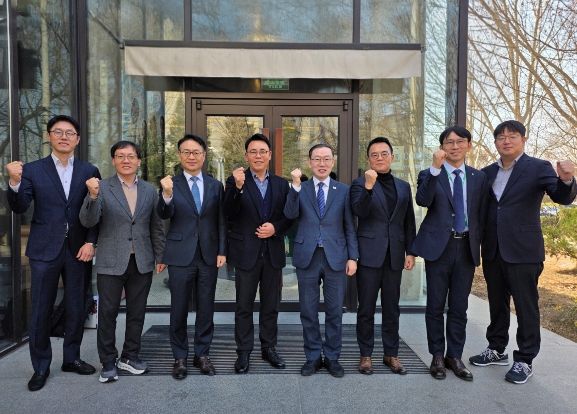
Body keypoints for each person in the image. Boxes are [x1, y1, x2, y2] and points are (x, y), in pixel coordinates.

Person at [469, 120, 576, 384]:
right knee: (497, 303)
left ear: (523, 140)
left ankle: (525, 359)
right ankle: (496, 348)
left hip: (524, 251)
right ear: (495, 142)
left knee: (526, 306)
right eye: (501, 137)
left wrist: (567, 179)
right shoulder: (486, 173)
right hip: (493, 249)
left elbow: (562, 197)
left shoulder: (538, 167)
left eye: (512, 136)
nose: (506, 141)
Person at [6, 115, 99, 391]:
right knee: (41, 309)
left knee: (76, 306)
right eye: (58, 132)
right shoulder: (33, 170)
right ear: (49, 137)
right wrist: (14, 182)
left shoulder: (89, 170)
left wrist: (91, 242)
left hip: (78, 250)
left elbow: (96, 210)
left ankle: (71, 358)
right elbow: (20, 206)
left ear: (77, 139)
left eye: (70, 133)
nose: (64, 137)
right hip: (44, 249)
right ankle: (41, 366)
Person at [79, 141, 165, 384]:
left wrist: (160, 256)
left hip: (142, 260)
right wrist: (92, 196)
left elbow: (156, 226)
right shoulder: (102, 187)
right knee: (108, 313)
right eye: (120, 156)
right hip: (110, 260)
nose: (126, 160)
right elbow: (88, 221)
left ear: (139, 161)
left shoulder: (149, 190)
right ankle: (108, 362)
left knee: (137, 313)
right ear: (113, 160)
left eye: (131, 156)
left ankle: (130, 356)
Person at [412, 126, 488, 381]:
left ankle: (454, 356)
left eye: (460, 141)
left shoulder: (478, 177)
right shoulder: (429, 174)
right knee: (435, 305)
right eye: (449, 142)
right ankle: (437, 355)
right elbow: (423, 200)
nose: (454, 146)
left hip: (466, 247)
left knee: (459, 307)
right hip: (439, 248)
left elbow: (481, 214)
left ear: (469, 145)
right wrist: (435, 169)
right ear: (442, 147)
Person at [284, 144, 359, 378]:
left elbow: (349, 226)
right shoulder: (300, 188)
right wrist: (295, 187)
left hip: (336, 256)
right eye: (317, 159)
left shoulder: (343, 190)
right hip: (307, 255)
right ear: (310, 162)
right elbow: (289, 214)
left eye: (326, 159)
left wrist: (353, 257)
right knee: (308, 310)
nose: (322, 163)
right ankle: (313, 356)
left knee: (335, 311)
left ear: (333, 162)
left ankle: (333, 357)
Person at [157, 134, 226, 379]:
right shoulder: (170, 184)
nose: (191, 156)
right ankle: (179, 357)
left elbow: (221, 220)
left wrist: (222, 250)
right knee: (179, 308)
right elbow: (163, 214)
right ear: (179, 155)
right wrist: (166, 194)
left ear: (204, 156)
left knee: (206, 307)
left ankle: (202, 354)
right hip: (180, 255)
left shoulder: (215, 185)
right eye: (186, 152)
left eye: (196, 152)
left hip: (208, 254)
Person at [224, 133, 292, 373]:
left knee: (271, 305)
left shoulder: (281, 184)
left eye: (263, 151)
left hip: (272, 253)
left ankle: (268, 347)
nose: (258, 156)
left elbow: (289, 217)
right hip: (246, 253)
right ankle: (243, 352)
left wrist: (276, 228)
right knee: (243, 306)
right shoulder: (236, 180)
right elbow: (228, 213)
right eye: (253, 152)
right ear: (246, 156)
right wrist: (237, 188)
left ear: (270, 155)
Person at [350, 137, 416, 375]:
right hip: (369, 255)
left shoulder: (403, 186)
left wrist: (411, 251)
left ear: (392, 157)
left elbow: (408, 221)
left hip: (394, 255)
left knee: (392, 308)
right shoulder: (359, 184)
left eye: (384, 153)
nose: (379, 158)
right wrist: (368, 187)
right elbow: (359, 211)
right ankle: (365, 355)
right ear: (368, 159)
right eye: (374, 154)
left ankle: (391, 354)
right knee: (366, 308)